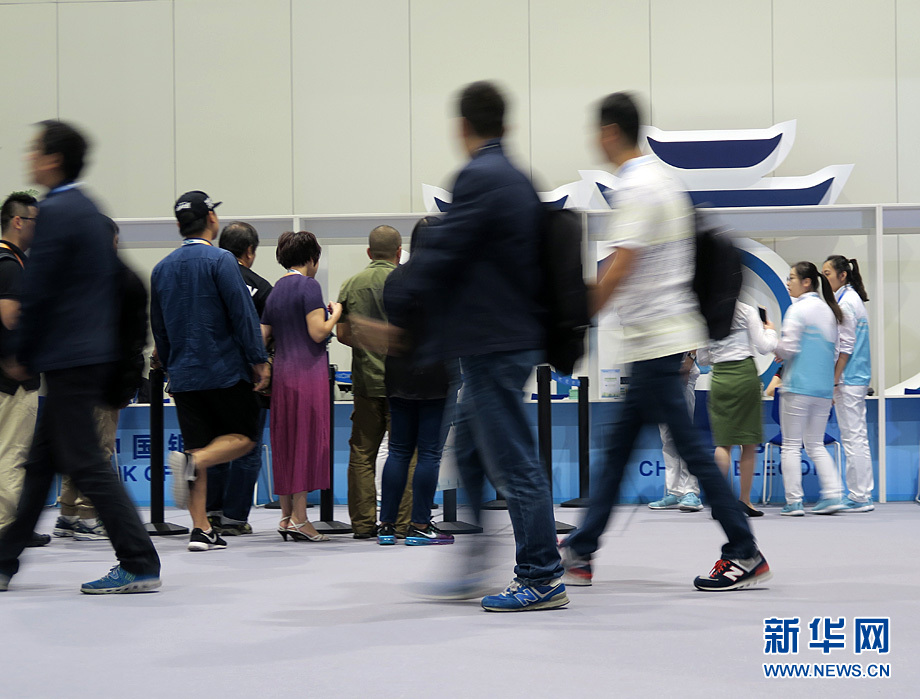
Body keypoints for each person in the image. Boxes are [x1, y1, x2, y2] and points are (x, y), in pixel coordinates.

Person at [559, 92, 771, 593]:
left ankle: (743, 549)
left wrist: (577, 316)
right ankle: (582, 551)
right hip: (661, 340)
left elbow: (621, 266)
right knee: (625, 453)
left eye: (597, 131)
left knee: (686, 452)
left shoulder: (636, 187)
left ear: (610, 132)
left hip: (656, 341)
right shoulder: (664, 180)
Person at [387, 81, 569, 611]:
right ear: (505, 124)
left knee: (514, 461)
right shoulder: (516, 178)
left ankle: (541, 575)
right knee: (468, 450)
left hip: (493, 344)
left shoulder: (480, 176)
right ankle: (475, 566)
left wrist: (403, 309)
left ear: (462, 126)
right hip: (505, 339)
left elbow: (447, 253)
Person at [0, 120, 160, 593]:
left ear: (52, 159)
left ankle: (139, 560)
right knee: (40, 465)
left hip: (69, 358)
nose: (29, 158)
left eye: (34, 151)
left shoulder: (56, 211)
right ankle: (4, 560)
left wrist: (22, 350)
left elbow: (40, 289)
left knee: (86, 463)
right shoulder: (88, 209)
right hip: (86, 355)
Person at [150, 191, 270, 552]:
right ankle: (194, 462)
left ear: (178, 225)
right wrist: (258, 359)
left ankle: (201, 528)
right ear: (212, 220)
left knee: (196, 444)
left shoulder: (161, 269)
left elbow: (159, 328)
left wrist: (170, 366)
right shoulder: (221, 261)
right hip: (223, 369)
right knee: (244, 437)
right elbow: (242, 314)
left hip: (183, 374)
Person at [54, 216, 145, 543]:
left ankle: (67, 512)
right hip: (104, 380)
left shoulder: (73, 279)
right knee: (99, 450)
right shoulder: (115, 280)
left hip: (73, 380)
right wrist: (127, 381)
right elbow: (128, 338)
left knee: (78, 449)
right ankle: (89, 516)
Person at [377, 217, 455, 546]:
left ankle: (386, 526)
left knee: (398, 451)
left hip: (398, 372)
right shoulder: (446, 278)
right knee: (429, 454)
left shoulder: (395, 278)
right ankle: (420, 525)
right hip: (437, 373)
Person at [260, 231, 337, 542]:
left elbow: (261, 336)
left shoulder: (276, 289)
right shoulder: (309, 286)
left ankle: (285, 515)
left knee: (286, 442)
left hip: (283, 374)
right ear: (312, 258)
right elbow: (318, 332)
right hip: (308, 373)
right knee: (306, 441)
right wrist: (336, 314)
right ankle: (300, 518)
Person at [337, 225, 413, 539]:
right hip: (403, 384)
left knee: (362, 452)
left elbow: (342, 334)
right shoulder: (408, 283)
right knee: (404, 453)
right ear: (399, 252)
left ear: (369, 252)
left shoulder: (352, 284)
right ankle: (403, 523)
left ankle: (363, 523)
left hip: (366, 382)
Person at [204, 221, 274, 535]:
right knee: (247, 447)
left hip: (211, 376)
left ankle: (212, 512)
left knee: (214, 444)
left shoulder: (206, 281)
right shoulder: (262, 287)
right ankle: (234, 517)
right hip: (250, 378)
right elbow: (264, 337)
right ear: (250, 251)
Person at [775, 261, 845, 515]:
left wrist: (773, 341)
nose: (788, 282)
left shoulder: (797, 309)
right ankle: (834, 494)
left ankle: (794, 501)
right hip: (823, 389)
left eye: (791, 278)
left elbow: (788, 348)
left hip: (798, 385)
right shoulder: (829, 311)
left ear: (806, 282)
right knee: (815, 444)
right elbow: (835, 351)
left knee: (791, 445)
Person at [0, 192, 49, 548]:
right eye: (35, 221)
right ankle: (7, 529)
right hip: (13, 380)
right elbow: (11, 317)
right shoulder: (10, 265)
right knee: (13, 454)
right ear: (18, 222)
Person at [698, 302, 778, 517]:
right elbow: (764, 346)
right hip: (744, 375)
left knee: (723, 443)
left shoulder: (707, 314)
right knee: (748, 443)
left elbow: (703, 358)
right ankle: (745, 501)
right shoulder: (747, 310)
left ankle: (719, 504)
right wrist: (770, 331)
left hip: (720, 378)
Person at [822, 255, 874, 512]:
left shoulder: (847, 303)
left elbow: (846, 347)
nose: (824, 279)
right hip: (854, 377)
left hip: (849, 378)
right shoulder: (849, 299)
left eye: (828, 274)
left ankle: (860, 495)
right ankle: (860, 493)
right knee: (856, 437)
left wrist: (833, 381)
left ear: (842, 275)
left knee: (854, 438)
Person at [650, 353, 703, 512]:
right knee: (667, 438)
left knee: (684, 436)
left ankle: (690, 491)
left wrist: (689, 361)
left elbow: (694, 339)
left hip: (681, 372)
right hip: (658, 375)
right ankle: (674, 491)